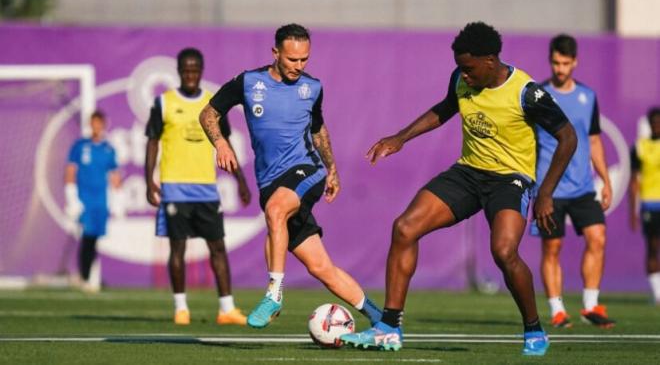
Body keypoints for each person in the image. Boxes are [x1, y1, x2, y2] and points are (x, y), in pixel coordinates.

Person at [340, 22, 577, 356]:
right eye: (460, 69)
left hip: (510, 180)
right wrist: (400, 138)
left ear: (491, 61)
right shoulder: (461, 79)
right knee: (405, 228)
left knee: (504, 252)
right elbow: (444, 109)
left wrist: (547, 193)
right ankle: (389, 328)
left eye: (469, 69)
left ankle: (534, 329)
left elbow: (568, 137)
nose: (463, 75)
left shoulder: (526, 92)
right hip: (468, 173)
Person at [199, 23, 382, 330]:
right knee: (322, 268)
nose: (299, 66)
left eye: (304, 59)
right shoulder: (248, 82)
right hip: (270, 181)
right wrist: (220, 143)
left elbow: (318, 129)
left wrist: (332, 170)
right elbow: (208, 113)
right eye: (292, 59)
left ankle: (273, 294)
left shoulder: (312, 88)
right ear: (275, 53)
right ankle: (383, 319)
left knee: (275, 210)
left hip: (306, 170)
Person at [145, 47, 251, 326]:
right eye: (186, 70)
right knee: (177, 248)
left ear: (201, 71)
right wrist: (148, 181)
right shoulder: (164, 103)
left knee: (217, 247)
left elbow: (224, 145)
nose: (190, 75)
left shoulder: (212, 105)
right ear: (179, 71)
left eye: (195, 70)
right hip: (175, 188)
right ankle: (181, 308)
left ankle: (226, 308)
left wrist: (240, 179)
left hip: (206, 188)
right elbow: (153, 141)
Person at [532, 34, 615, 328]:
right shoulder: (538, 95)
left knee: (598, 238)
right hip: (549, 189)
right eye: (556, 62)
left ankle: (591, 306)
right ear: (550, 61)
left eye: (566, 63)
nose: (560, 68)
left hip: (582, 187)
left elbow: (594, 141)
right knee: (552, 248)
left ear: (575, 62)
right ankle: (557, 310)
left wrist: (605, 179)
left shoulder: (588, 96)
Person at [65, 110, 122, 293]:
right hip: (85, 199)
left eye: (99, 123)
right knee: (88, 236)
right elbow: (70, 171)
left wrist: (118, 201)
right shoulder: (80, 146)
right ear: (90, 124)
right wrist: (72, 198)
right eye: (93, 123)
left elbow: (114, 176)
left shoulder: (108, 149)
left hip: (101, 200)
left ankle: (88, 277)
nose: (96, 127)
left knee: (95, 237)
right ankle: (85, 276)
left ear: (104, 125)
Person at [629, 107, 660, 305]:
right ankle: (658, 294)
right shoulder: (640, 147)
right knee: (653, 247)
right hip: (650, 204)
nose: (656, 126)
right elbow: (634, 181)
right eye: (653, 123)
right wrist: (633, 211)